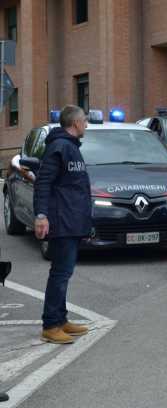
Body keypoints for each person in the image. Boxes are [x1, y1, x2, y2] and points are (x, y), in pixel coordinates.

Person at [33, 105, 92, 344]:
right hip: (62, 221)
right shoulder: (59, 147)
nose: (86, 124)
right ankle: (51, 325)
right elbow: (43, 183)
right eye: (85, 121)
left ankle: (61, 319)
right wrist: (41, 216)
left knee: (64, 273)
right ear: (76, 123)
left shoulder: (70, 148)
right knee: (60, 273)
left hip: (72, 220)